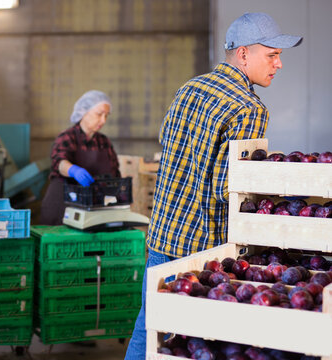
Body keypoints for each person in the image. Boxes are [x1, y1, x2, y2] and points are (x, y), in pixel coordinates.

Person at [124, 13, 302, 360]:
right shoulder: (249, 107)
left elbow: (168, 146)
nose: (279, 64)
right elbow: (230, 189)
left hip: (164, 235)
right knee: (200, 345)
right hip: (204, 248)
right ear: (243, 54)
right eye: (272, 55)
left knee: (150, 331)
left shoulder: (189, 88)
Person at [39, 90, 120, 225]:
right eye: (99, 114)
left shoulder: (104, 142)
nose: (103, 120)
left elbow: (115, 173)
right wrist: (73, 170)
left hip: (92, 208)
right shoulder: (67, 137)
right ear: (84, 112)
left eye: (106, 116)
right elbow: (59, 162)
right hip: (62, 207)